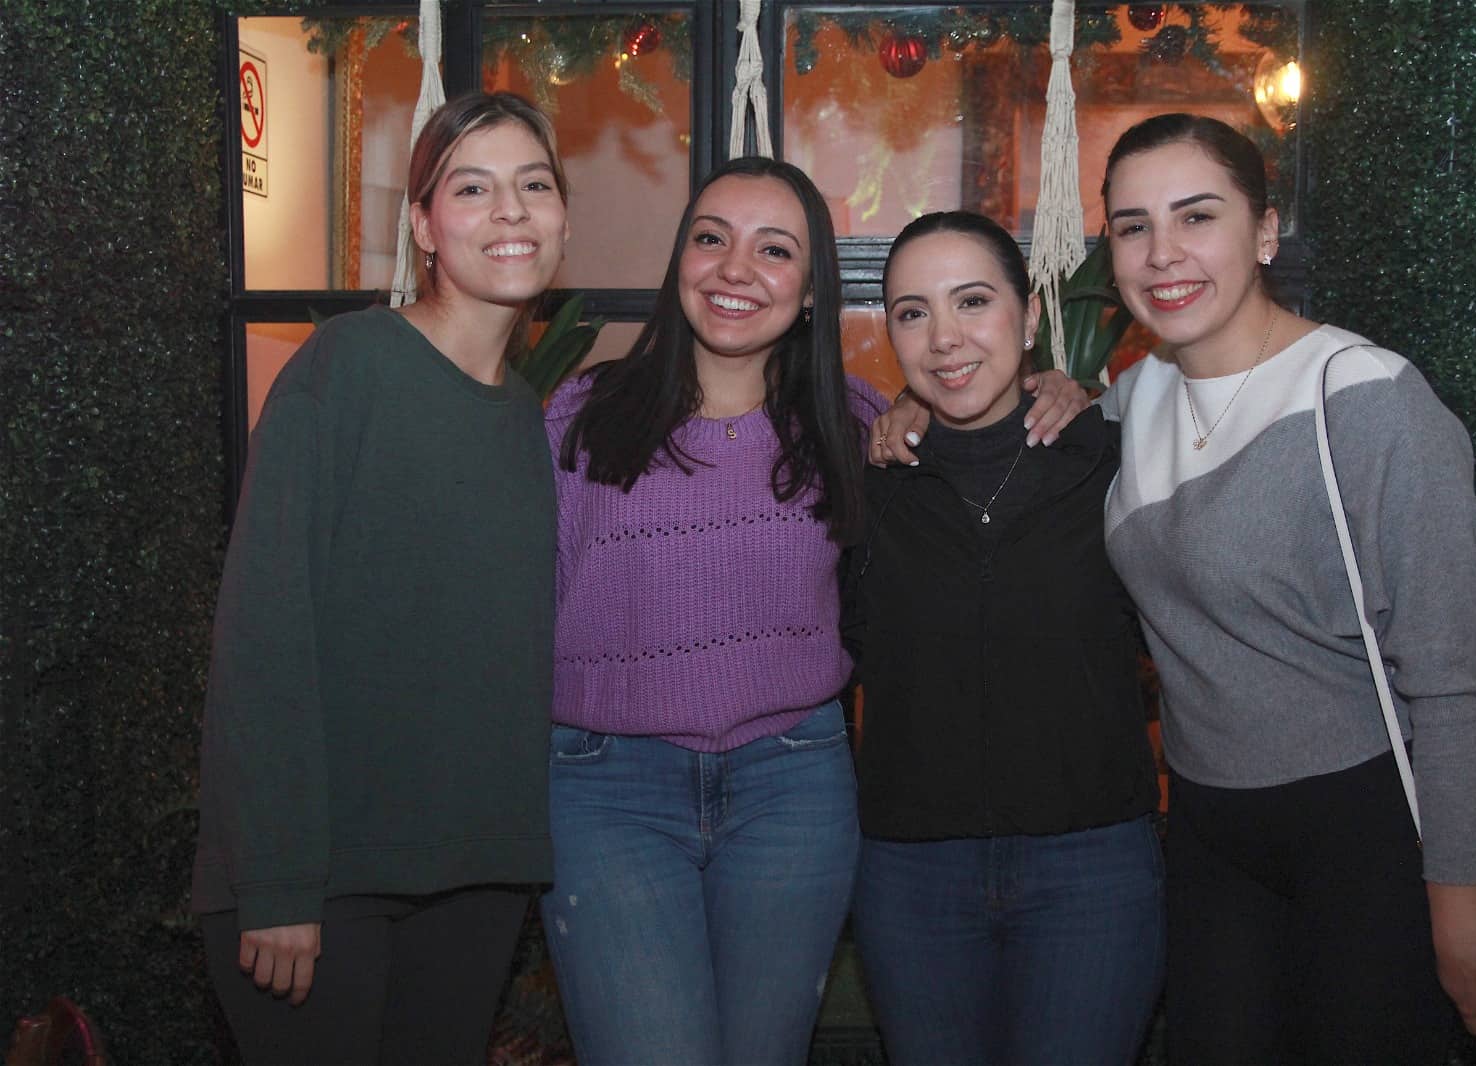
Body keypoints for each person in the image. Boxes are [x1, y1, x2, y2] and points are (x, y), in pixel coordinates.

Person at [1095, 112, 1476, 1063]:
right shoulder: (1134, 394)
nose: (1162, 253)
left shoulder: (1367, 395)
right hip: (1208, 831)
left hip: (1367, 834)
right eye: (1133, 226)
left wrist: (1462, 926)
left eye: (1197, 217)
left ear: (1265, 233)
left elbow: (1445, 682)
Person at [191, 91, 568, 1064]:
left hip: (475, 874)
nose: (512, 212)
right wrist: (276, 882)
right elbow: (265, 631)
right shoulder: (346, 369)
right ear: (423, 224)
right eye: (473, 188)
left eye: (534, 185)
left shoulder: (529, 417)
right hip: (322, 883)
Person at [539, 156, 879, 1066]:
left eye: (775, 250)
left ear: (810, 291)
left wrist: (1062, 390)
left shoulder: (854, 426)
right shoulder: (579, 416)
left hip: (794, 788)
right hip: (604, 793)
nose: (736, 269)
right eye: (711, 239)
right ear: (679, 260)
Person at [843, 211, 1164, 1066]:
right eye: (913, 313)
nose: (944, 338)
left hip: (1092, 868)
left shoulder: (1114, 462)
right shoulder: (871, 481)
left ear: (1028, 319)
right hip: (912, 876)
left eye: (973, 302)